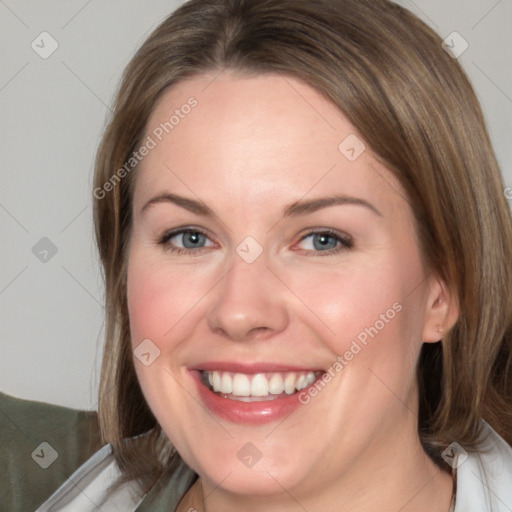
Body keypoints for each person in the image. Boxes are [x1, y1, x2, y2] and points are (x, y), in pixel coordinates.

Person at [3, 0, 511, 510]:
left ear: (444, 291)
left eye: (322, 240)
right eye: (190, 237)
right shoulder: (28, 475)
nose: (240, 312)